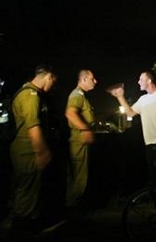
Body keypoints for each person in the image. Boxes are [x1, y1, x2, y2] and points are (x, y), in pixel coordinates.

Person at [109, 70, 156, 192]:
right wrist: (120, 97)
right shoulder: (143, 99)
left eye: (141, 79)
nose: (138, 82)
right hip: (150, 143)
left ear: (149, 81)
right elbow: (130, 113)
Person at [8, 64, 58, 234]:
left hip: (22, 148)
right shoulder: (31, 95)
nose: (52, 86)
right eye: (53, 82)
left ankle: (23, 221)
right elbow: (33, 126)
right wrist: (42, 152)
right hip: (27, 150)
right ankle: (22, 226)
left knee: (24, 187)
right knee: (27, 188)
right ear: (48, 77)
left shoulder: (25, 92)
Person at [65, 69, 97, 208]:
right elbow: (70, 113)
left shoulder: (82, 95)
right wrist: (85, 129)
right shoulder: (77, 94)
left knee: (79, 175)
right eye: (92, 78)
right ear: (83, 79)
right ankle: (72, 209)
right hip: (78, 140)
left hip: (80, 140)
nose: (95, 81)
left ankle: (74, 207)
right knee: (79, 176)